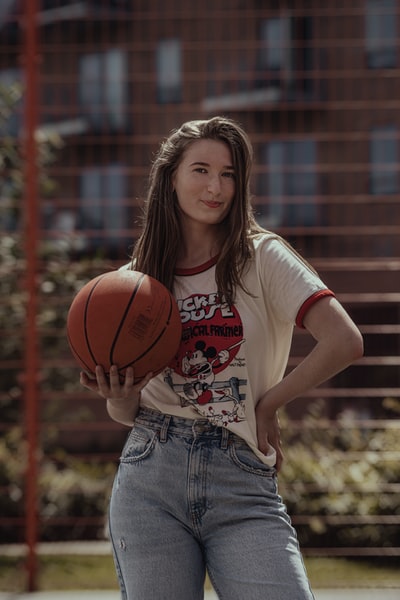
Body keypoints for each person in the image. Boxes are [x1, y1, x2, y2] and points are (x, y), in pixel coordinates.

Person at [80, 116, 363, 600]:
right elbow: (127, 413)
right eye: (201, 170)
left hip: (241, 473)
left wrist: (269, 403)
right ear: (170, 177)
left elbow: (345, 340)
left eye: (229, 174)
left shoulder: (263, 256)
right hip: (152, 470)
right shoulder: (133, 284)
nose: (216, 187)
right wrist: (119, 396)